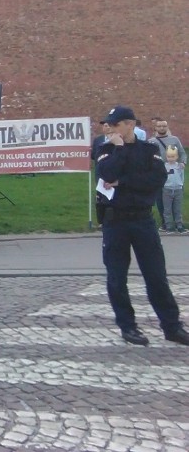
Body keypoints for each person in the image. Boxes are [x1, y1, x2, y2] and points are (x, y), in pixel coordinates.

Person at [95, 105, 189, 346]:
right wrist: (118, 149)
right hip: (115, 222)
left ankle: (171, 326)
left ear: (129, 125)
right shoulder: (106, 149)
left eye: (115, 125)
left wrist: (123, 182)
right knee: (117, 277)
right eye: (109, 125)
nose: (110, 128)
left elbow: (156, 179)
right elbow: (107, 174)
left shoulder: (148, 151)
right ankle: (128, 327)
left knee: (156, 276)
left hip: (142, 220)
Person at [148, 118, 186, 231]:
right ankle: (166, 223)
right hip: (158, 173)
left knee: (176, 201)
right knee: (160, 200)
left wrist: (183, 163)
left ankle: (178, 223)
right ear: (155, 128)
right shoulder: (151, 141)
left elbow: (182, 153)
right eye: (159, 126)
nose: (162, 128)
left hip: (173, 174)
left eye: (164, 126)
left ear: (167, 127)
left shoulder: (174, 139)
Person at [162, 146, 185, 234]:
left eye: (173, 156)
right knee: (167, 209)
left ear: (177, 157)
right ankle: (168, 226)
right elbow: (162, 177)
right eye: (169, 157)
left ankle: (179, 225)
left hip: (178, 190)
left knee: (177, 209)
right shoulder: (164, 166)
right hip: (167, 190)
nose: (170, 159)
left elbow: (182, 176)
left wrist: (181, 185)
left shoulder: (179, 166)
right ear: (166, 157)